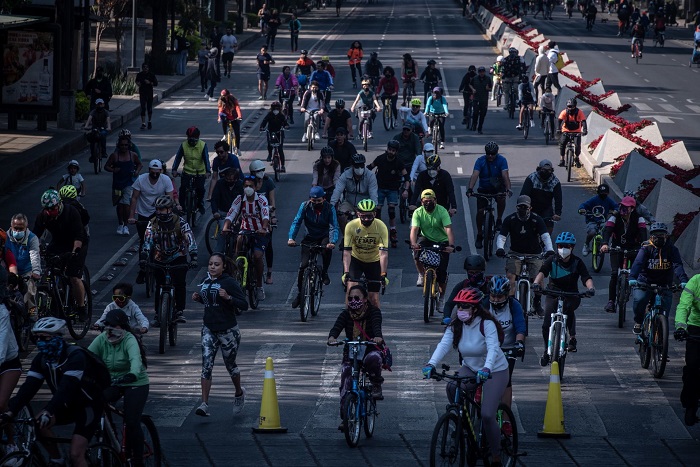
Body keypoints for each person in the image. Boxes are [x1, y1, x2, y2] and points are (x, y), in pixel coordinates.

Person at [422, 287, 509, 467]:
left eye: (465, 306)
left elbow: (493, 348)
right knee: (452, 387)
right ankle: (463, 423)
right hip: (470, 367)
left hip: (495, 370)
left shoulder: (487, 324)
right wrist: (431, 364)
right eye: (459, 306)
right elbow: (443, 345)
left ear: (475, 309)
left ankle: (496, 455)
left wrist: (487, 368)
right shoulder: (456, 325)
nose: (460, 310)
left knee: (487, 415)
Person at [4, 318, 104, 466]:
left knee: (76, 454)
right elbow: (28, 388)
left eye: (44, 338)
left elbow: (65, 389)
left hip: (88, 406)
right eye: (36, 338)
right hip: (65, 405)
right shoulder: (41, 359)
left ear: (58, 337)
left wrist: (48, 411)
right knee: (38, 424)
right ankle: (57, 460)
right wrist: (10, 412)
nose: (39, 342)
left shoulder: (75, 357)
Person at [88, 309, 149, 466]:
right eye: (107, 326)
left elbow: (135, 360)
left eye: (114, 326)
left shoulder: (129, 339)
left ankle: (137, 461)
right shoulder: (102, 339)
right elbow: (86, 357)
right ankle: (111, 435)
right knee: (98, 402)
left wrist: (133, 374)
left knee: (131, 421)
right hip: (114, 382)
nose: (110, 330)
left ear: (123, 327)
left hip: (135, 382)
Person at [192, 253, 248, 417]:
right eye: (210, 264)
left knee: (230, 365)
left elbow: (244, 304)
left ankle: (239, 393)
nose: (212, 267)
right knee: (206, 366)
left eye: (216, 264)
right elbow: (209, 301)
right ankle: (204, 404)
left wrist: (229, 297)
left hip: (228, 330)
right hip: (209, 328)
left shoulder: (229, 282)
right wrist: (199, 298)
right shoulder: (205, 280)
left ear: (223, 267)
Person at [534, 232, 595, 360]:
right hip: (552, 293)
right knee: (546, 324)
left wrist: (590, 288)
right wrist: (535, 283)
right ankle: (546, 350)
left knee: (568, 309)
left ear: (572, 247)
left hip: (571, 294)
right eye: (560, 246)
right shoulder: (552, 260)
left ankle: (572, 338)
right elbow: (542, 272)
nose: (563, 249)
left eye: (566, 246)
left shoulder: (577, 262)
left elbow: (586, 277)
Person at [327, 284, 385, 417]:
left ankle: (376, 384)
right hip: (351, 353)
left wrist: (377, 337)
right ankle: (345, 417)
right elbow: (336, 327)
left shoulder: (374, 312)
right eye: (350, 298)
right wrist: (332, 338)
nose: (353, 301)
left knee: (374, 358)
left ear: (365, 299)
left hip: (369, 349)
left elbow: (376, 326)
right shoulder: (346, 313)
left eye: (357, 298)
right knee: (346, 376)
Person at [33, 189, 89, 320]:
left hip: (77, 242)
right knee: (50, 267)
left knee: (73, 276)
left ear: (59, 204)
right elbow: (34, 236)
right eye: (47, 209)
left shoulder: (71, 212)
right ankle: (56, 296)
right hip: (58, 242)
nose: (49, 212)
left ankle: (81, 307)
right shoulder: (43, 216)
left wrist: (74, 252)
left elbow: (79, 235)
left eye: (52, 209)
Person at [141, 195, 197, 326]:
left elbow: (190, 239)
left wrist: (194, 256)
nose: (159, 212)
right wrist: (144, 257)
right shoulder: (152, 223)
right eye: (157, 209)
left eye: (162, 209)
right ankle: (158, 314)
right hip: (159, 257)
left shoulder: (180, 222)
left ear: (169, 209)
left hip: (178, 257)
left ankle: (180, 311)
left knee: (180, 284)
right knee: (159, 285)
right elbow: (147, 241)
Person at [495, 195, 554, 315]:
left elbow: (545, 236)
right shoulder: (510, 219)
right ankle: (511, 304)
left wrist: (550, 250)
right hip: (515, 253)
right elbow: (502, 236)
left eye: (525, 207)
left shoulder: (537, 219)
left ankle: (537, 303)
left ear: (530, 208)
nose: (523, 210)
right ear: (516, 207)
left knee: (538, 279)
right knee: (510, 277)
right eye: (520, 207)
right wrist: (500, 248)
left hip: (534, 254)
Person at [629, 222, 688, 335]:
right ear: (651, 236)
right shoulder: (646, 248)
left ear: (666, 236)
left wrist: (683, 280)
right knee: (639, 300)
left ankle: (661, 334)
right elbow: (638, 263)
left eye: (661, 235)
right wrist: (632, 277)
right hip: (645, 282)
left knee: (665, 310)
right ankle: (638, 322)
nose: (659, 238)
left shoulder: (672, 249)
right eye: (656, 235)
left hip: (664, 284)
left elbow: (677, 265)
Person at [288, 186, 339, 307]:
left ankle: (324, 272)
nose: (316, 203)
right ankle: (300, 293)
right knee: (303, 266)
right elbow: (297, 222)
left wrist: (332, 242)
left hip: (324, 236)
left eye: (319, 201)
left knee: (326, 250)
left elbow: (333, 226)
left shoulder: (330, 208)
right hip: (310, 237)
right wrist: (291, 238)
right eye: (313, 201)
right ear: (310, 199)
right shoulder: (304, 206)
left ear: (324, 199)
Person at [222, 176, 270, 301]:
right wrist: (226, 227)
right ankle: (238, 271)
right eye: (246, 186)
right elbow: (231, 213)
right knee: (238, 243)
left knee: (257, 256)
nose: (248, 188)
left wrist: (264, 228)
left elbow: (265, 215)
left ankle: (259, 286)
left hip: (260, 232)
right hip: (245, 230)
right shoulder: (239, 199)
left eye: (251, 186)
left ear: (256, 187)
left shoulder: (261, 199)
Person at [599, 196, 648, 313]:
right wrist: (605, 244)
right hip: (617, 248)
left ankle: (644, 302)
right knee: (614, 273)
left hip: (634, 248)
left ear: (632, 208)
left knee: (639, 274)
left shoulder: (639, 218)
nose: (623, 209)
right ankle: (611, 301)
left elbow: (643, 233)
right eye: (622, 206)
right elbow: (608, 230)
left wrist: (645, 245)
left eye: (626, 207)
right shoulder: (614, 217)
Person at [410, 189, 456, 308]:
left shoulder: (442, 211)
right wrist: (413, 243)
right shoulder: (418, 212)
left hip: (442, 240)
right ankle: (421, 274)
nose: (428, 203)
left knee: (442, 273)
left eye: (430, 201)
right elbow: (414, 229)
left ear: (435, 201)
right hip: (426, 238)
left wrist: (451, 245)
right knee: (416, 254)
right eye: (425, 201)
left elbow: (448, 229)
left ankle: (441, 297)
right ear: (421, 202)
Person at [485, 275, 526, 406]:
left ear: (507, 295)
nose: (496, 300)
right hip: (486, 348)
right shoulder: (484, 304)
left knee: (506, 381)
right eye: (493, 296)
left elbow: (520, 327)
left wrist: (519, 343)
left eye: (500, 296)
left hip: (507, 349)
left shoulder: (514, 305)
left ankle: (506, 415)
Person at [342, 200, 388, 307]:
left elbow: (383, 253)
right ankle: (349, 315)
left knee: (374, 298)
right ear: (358, 214)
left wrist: (383, 274)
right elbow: (347, 251)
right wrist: (346, 272)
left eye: (369, 216)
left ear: (375, 214)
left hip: (374, 261)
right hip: (356, 260)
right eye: (363, 216)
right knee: (351, 292)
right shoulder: (351, 226)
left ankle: (375, 317)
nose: (366, 219)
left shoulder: (381, 226)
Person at [466, 142, 512, 249]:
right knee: (480, 211)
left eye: (493, 154)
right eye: (488, 153)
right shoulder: (480, 161)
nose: (490, 156)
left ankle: (499, 219)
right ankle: (479, 234)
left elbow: (505, 175)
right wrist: (470, 189)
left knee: (501, 198)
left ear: (497, 153)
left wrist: (508, 189)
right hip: (484, 188)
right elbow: (475, 175)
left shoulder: (502, 160)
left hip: (497, 187)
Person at [128, 160, 176, 257]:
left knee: (163, 237)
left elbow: (169, 199)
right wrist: (131, 216)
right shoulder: (141, 179)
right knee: (143, 239)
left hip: (159, 213)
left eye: (157, 173)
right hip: (144, 213)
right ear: (149, 170)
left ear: (161, 171)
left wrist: (169, 214)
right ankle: (143, 261)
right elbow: (134, 198)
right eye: (152, 172)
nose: (154, 175)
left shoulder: (165, 180)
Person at [367, 140, 409, 247]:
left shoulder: (399, 162)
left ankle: (393, 231)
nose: (391, 152)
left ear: (396, 152)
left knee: (391, 210)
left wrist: (406, 189)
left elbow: (406, 177)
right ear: (387, 149)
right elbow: (370, 167)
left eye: (393, 150)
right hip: (380, 187)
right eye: (389, 149)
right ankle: (378, 230)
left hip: (392, 189)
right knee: (377, 210)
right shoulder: (380, 159)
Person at [0, 247, 21, 453]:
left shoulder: (2, 313)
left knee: (0, 405)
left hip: (7, 364)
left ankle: (12, 444)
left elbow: (1, 350)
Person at [674, 273, 700, 426]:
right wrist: (680, 327)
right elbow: (683, 306)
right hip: (696, 327)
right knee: (692, 367)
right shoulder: (695, 281)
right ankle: (690, 404)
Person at [330, 154, 378, 231]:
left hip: (365, 204)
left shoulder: (370, 176)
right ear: (352, 166)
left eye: (361, 165)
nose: (359, 168)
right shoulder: (345, 175)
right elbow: (338, 190)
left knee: (369, 218)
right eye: (357, 166)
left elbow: (373, 193)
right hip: (349, 202)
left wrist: (374, 207)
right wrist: (331, 205)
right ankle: (346, 235)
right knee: (341, 216)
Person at [105, 135, 141, 236]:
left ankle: (126, 225)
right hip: (117, 184)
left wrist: (136, 172)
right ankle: (120, 224)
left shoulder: (133, 155)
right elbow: (106, 166)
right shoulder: (114, 156)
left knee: (126, 204)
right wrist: (113, 170)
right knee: (119, 205)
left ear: (129, 145)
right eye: (122, 145)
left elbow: (140, 164)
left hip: (129, 183)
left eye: (126, 145)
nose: (124, 147)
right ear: (118, 145)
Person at [6, 213, 41, 317]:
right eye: (15, 228)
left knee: (30, 293)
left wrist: (36, 271)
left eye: (21, 229)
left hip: (27, 271)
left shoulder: (32, 238)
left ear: (26, 227)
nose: (17, 231)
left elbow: (34, 255)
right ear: (11, 226)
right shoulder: (5, 237)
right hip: (10, 271)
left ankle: (33, 316)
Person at [249, 161, 277, 286]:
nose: (260, 173)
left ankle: (269, 272)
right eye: (257, 171)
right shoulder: (249, 183)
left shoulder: (268, 182)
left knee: (268, 244)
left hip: (265, 217)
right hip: (250, 217)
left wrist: (273, 217)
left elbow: (272, 200)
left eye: (261, 170)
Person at [172, 126, 211, 215]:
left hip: (200, 172)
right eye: (190, 138)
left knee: (201, 189)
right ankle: (182, 207)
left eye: (194, 139)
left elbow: (206, 159)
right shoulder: (183, 145)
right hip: (187, 171)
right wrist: (174, 169)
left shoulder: (203, 145)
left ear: (198, 137)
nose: (192, 141)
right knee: (183, 189)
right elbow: (178, 158)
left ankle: (200, 204)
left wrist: (208, 171)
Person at [442, 255, 490, 325]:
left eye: (477, 272)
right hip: (466, 320)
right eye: (471, 272)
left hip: (486, 319)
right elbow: (449, 304)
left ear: (482, 271)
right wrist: (446, 317)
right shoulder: (462, 285)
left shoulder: (489, 285)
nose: (474, 275)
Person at [520, 159, 562, 235]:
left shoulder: (555, 182)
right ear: (539, 169)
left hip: (546, 208)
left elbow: (558, 199)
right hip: (531, 207)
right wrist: (523, 208)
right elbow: (524, 194)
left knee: (549, 225)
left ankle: (546, 241)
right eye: (544, 170)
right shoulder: (531, 178)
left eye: (548, 170)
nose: (546, 172)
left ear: (552, 171)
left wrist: (557, 213)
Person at [577, 183, 618, 256]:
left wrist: (616, 210)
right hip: (592, 220)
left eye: (605, 194)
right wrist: (582, 209)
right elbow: (584, 205)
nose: (603, 195)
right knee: (592, 232)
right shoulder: (593, 200)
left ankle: (605, 244)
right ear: (598, 193)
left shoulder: (608, 200)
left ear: (607, 193)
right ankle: (586, 244)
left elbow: (616, 206)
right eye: (601, 193)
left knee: (607, 230)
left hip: (603, 220)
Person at [259, 102, 290, 172]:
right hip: (270, 132)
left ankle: (283, 166)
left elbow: (285, 123)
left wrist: (286, 126)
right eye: (274, 108)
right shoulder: (269, 115)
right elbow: (264, 121)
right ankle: (270, 155)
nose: (275, 110)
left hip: (279, 133)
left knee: (280, 149)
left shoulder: (281, 115)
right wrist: (261, 127)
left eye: (277, 108)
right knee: (269, 144)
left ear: (280, 109)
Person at [557, 98, 587, 168]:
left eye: (572, 106)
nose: (570, 108)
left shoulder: (579, 112)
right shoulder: (564, 112)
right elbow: (559, 120)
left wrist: (585, 130)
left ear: (575, 106)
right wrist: (558, 129)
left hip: (577, 131)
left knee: (577, 145)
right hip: (566, 130)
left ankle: (577, 158)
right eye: (569, 106)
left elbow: (583, 121)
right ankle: (562, 159)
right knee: (562, 144)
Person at [469, 66, 492, 134]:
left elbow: (491, 88)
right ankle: (474, 124)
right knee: (475, 112)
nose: (482, 73)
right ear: (478, 72)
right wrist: (473, 89)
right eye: (480, 72)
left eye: (483, 72)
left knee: (482, 114)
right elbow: (470, 84)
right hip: (476, 98)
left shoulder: (488, 78)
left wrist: (488, 88)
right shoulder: (475, 78)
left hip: (484, 99)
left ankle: (480, 128)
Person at [135, 63, 158, 130]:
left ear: (148, 68)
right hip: (142, 93)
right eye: (144, 67)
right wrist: (138, 83)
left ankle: (149, 121)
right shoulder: (140, 75)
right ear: (142, 68)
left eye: (147, 67)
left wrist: (150, 82)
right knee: (143, 108)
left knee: (149, 108)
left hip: (149, 93)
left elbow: (156, 83)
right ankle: (143, 123)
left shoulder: (151, 75)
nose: (145, 69)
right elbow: (136, 81)